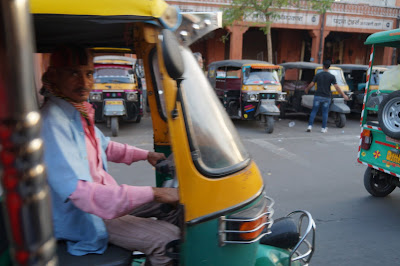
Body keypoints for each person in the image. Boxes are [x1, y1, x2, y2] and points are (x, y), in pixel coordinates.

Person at [40, 45, 180, 266]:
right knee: (169, 240)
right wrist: (155, 192)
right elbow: (81, 194)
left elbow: (104, 146)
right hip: (85, 215)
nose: (84, 83)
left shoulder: (77, 111)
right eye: (73, 73)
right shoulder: (52, 122)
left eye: (88, 74)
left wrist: (146, 155)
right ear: (53, 76)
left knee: (176, 206)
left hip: (104, 199)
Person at [304, 60, 349, 133]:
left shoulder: (318, 75)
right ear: (329, 67)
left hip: (318, 95)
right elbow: (337, 87)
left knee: (314, 111)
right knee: (325, 112)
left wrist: (307, 89)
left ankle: (310, 126)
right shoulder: (331, 76)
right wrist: (343, 95)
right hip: (326, 97)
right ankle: (323, 128)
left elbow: (312, 84)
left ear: (323, 66)